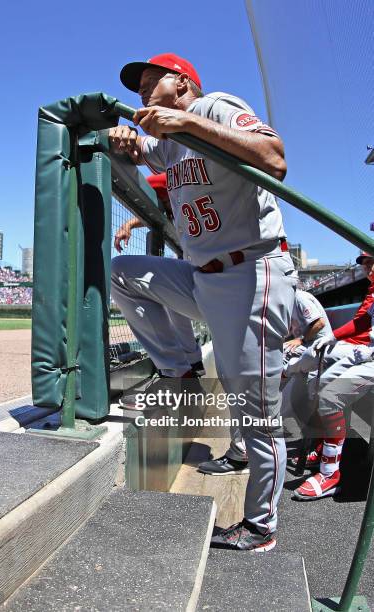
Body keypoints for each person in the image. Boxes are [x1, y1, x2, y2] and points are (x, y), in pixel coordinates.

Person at [110, 52, 297, 551]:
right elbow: (142, 152)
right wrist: (127, 139)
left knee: (256, 412)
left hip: (250, 273)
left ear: (183, 82)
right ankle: (181, 368)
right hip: (205, 279)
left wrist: (188, 119)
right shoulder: (169, 143)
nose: (142, 90)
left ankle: (261, 527)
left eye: (152, 80)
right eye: (139, 85)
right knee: (123, 274)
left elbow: (274, 157)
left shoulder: (214, 106)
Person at [198, 288, 331, 475]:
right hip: (307, 355)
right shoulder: (285, 297)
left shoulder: (297, 296)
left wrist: (299, 340)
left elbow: (319, 323)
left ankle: (242, 455)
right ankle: (248, 449)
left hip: (315, 353)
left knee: (250, 392)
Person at [114, 173, 204, 395]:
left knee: (118, 271)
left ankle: (177, 375)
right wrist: (130, 223)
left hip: (215, 287)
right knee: (172, 290)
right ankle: (193, 365)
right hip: (247, 284)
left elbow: (157, 183)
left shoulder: (185, 175)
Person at [293, 252, 374, 499]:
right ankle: (327, 443)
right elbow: (362, 322)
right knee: (322, 383)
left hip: (367, 354)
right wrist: (334, 336)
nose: (368, 268)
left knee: (328, 395)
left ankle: (330, 472)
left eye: (373, 262)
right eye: (366, 264)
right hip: (367, 352)